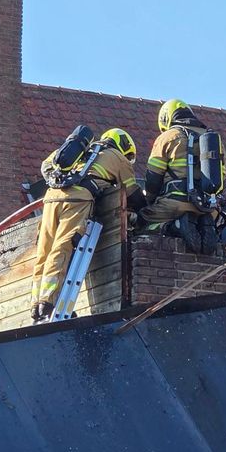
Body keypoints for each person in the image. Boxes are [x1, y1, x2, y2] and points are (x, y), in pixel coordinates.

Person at [31, 127, 145, 323]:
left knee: (44, 250)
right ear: (124, 146)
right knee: (63, 247)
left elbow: (46, 165)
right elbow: (133, 193)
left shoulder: (81, 151)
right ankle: (49, 303)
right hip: (78, 199)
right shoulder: (117, 157)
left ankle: (36, 304)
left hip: (51, 198)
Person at [137, 99, 226, 254]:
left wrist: (149, 202)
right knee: (203, 221)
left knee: (140, 223)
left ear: (166, 119)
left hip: (174, 205)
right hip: (208, 209)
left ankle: (174, 226)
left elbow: (153, 179)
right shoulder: (215, 141)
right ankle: (205, 226)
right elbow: (221, 178)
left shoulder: (167, 137)